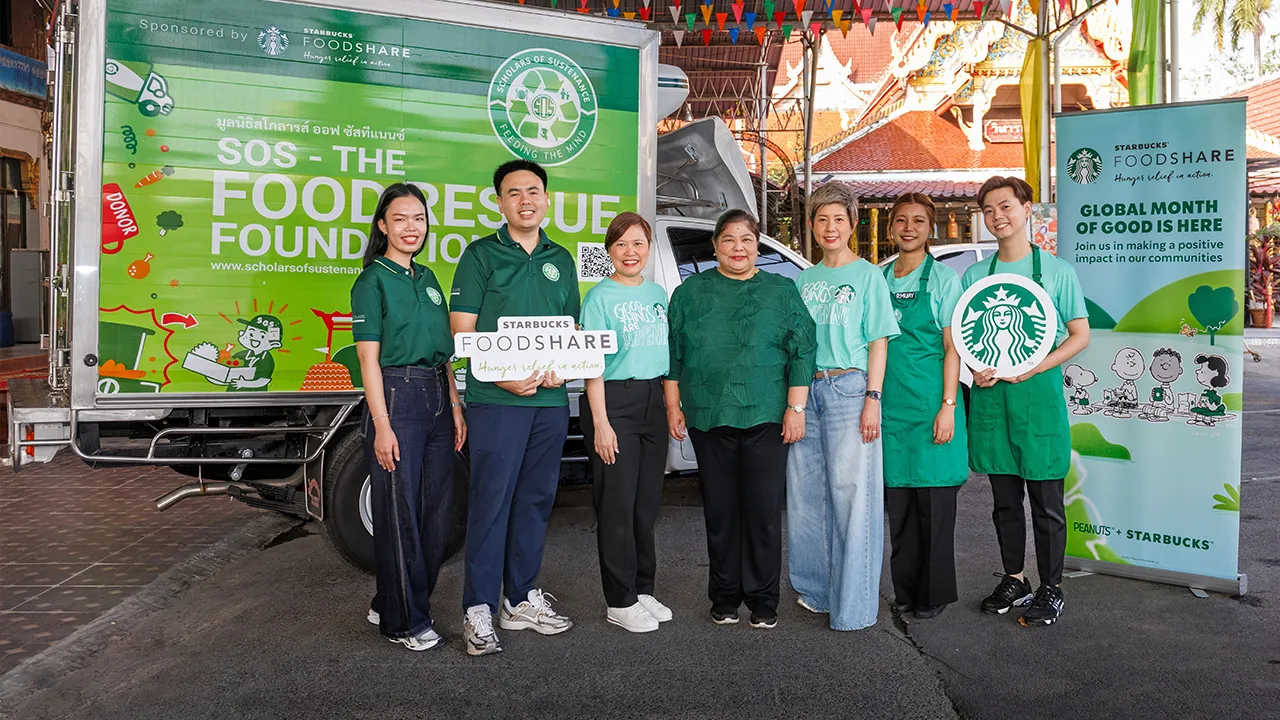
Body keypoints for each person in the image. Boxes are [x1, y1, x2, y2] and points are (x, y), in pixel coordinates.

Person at [450, 160, 579, 656]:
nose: (525, 200)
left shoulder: (560, 258)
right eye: (514, 193)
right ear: (500, 202)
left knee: (535, 501)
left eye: (533, 191)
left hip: (550, 402)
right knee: (491, 503)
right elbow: (462, 332)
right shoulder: (480, 255)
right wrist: (501, 375)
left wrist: (564, 368)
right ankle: (478, 608)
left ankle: (520, 599)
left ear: (546, 199)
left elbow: (569, 332)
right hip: (497, 401)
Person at [665, 209, 817, 629]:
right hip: (709, 416)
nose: (738, 248)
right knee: (721, 512)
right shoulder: (690, 292)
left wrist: (796, 409)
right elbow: (673, 353)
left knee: (763, 512)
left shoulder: (781, 290)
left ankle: (764, 601)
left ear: (757, 246)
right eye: (729, 239)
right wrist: (673, 406)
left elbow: (804, 350)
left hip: (768, 416)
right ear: (715, 246)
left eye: (746, 239)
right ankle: (725, 597)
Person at [963, 176, 1090, 627]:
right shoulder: (976, 276)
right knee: (1004, 501)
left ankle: (1051, 587)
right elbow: (967, 339)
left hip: (1038, 396)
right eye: (988, 210)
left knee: (1046, 501)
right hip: (992, 399)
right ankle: (1015, 578)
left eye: (1005, 206)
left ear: (1027, 209)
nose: (997, 216)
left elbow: (1080, 335)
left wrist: (1036, 366)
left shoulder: (1057, 271)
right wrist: (974, 367)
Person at [350, 183, 466, 651]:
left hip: (437, 394)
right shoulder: (371, 282)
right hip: (397, 396)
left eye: (418, 218)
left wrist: (454, 406)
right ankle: (404, 622)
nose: (411, 227)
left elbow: (445, 353)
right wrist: (382, 424)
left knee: (437, 514)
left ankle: (391, 599)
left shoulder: (429, 278)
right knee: (399, 515)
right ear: (383, 226)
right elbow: (368, 360)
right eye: (400, 219)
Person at [786, 183, 898, 631]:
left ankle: (853, 607)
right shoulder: (804, 280)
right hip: (807, 391)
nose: (829, 227)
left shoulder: (869, 276)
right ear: (812, 226)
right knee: (805, 496)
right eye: (821, 219)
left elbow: (878, 344)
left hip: (850, 389)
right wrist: (794, 403)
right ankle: (816, 591)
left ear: (852, 224)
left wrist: (873, 398)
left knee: (853, 497)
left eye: (838, 219)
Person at [579, 212, 672, 633]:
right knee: (617, 504)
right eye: (620, 244)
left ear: (648, 248)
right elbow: (592, 366)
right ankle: (619, 600)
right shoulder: (599, 298)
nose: (629, 252)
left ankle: (642, 589)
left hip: (653, 400)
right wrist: (601, 422)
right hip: (614, 402)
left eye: (638, 243)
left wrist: (670, 404)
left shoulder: (657, 293)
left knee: (645, 504)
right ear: (609, 251)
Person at [879, 193, 968, 621]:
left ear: (930, 228)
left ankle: (933, 594)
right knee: (900, 508)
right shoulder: (878, 278)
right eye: (901, 220)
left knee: (934, 507)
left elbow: (953, 347)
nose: (909, 228)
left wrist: (948, 405)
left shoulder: (944, 280)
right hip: (890, 407)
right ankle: (906, 590)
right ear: (890, 228)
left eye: (918, 220)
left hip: (932, 402)